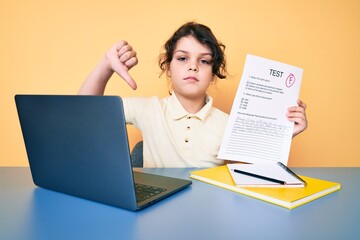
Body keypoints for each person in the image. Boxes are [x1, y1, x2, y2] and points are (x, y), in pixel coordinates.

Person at [78, 22, 308, 168]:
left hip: (207, 214)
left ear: (213, 74)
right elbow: (84, 114)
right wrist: (106, 65)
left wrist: (285, 134)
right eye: (182, 58)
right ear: (168, 68)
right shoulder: (147, 109)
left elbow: (264, 169)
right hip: (155, 213)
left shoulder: (229, 125)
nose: (193, 67)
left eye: (204, 61)